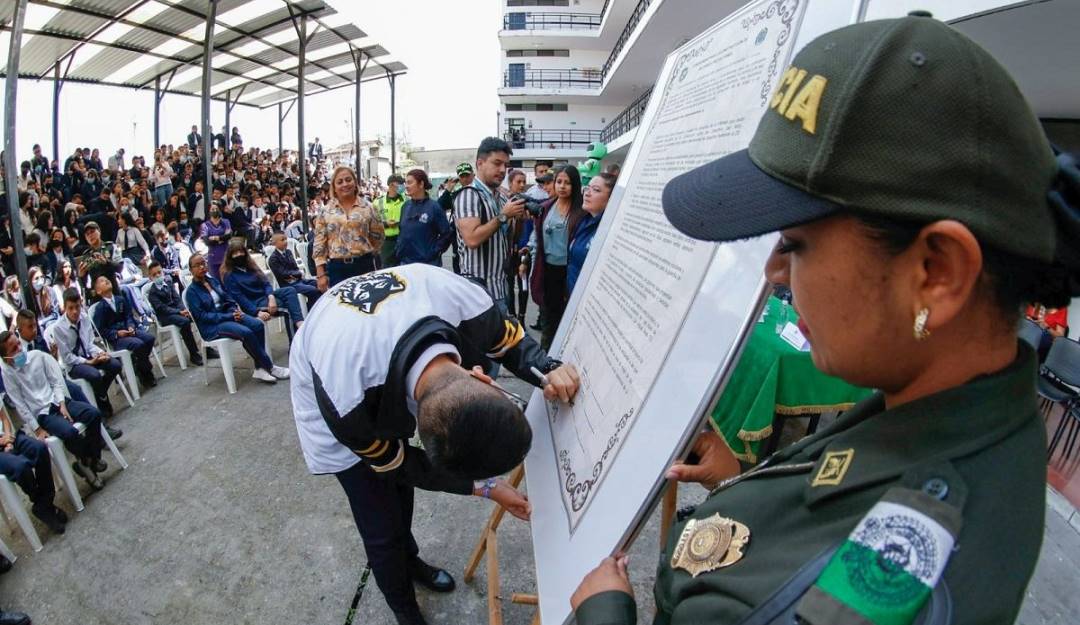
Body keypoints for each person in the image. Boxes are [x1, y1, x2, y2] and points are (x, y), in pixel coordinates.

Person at [570, 14, 1073, 625]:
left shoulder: (870, 578)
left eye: (796, 244)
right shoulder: (952, 409)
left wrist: (604, 611)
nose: (774, 271)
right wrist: (751, 481)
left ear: (936, 272)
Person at [290, 263, 581, 625]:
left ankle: (410, 560)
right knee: (380, 525)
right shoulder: (347, 405)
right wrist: (486, 488)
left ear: (482, 377)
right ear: (482, 376)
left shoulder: (462, 300)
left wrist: (548, 369)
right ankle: (404, 608)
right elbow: (398, 464)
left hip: (367, 351)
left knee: (401, 500)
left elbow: (511, 343)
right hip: (330, 384)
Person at [0, 330, 107, 491]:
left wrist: (62, 403)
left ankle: (88, 460)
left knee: (93, 414)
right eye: (13, 349)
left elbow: (55, 381)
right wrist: (37, 429)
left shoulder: (37, 356)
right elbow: (20, 404)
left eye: (18, 344)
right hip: (43, 414)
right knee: (70, 433)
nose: (19, 349)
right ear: (6, 358)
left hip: (59, 401)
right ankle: (88, 461)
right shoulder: (8, 374)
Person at [184, 253, 288, 384]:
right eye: (197, 265)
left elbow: (228, 298)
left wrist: (234, 310)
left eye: (203, 263)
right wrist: (229, 315)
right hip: (212, 326)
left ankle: (260, 368)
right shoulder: (192, 292)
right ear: (191, 270)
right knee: (246, 333)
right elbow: (202, 316)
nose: (201, 267)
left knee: (257, 325)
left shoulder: (213, 281)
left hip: (229, 315)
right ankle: (270, 367)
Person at [453, 138, 526, 309]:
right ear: (480, 163)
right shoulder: (468, 195)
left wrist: (518, 219)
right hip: (477, 295)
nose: (502, 170)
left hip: (500, 288)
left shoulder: (501, 199)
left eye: (506, 165)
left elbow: (507, 240)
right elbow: (472, 239)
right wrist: (504, 216)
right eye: (497, 163)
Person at [529, 166, 584, 350]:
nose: (562, 186)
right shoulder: (546, 208)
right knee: (548, 319)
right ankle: (546, 357)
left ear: (575, 185)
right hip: (547, 271)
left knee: (567, 318)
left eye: (567, 183)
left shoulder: (582, 211)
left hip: (569, 272)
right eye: (559, 182)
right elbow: (537, 239)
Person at [49, 289, 123, 419]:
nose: (75, 311)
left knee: (115, 364)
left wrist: (100, 353)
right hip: (75, 364)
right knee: (94, 375)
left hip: (88, 356)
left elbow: (89, 344)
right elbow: (67, 357)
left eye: (77, 307)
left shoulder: (84, 318)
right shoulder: (58, 328)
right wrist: (87, 362)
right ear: (64, 307)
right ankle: (102, 401)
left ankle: (99, 394)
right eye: (70, 308)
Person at [0, 386, 65, 535]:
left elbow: (3, 418)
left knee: (39, 448)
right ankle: (42, 503)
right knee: (21, 466)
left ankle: (44, 504)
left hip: (8, 439)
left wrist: (8, 438)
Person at [312, 166, 384, 288]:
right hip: (337, 269)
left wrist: (364, 250)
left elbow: (378, 236)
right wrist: (321, 274)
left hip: (364, 265)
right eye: (340, 182)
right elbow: (319, 243)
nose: (345, 184)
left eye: (348, 180)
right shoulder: (325, 211)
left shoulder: (369, 208)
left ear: (355, 183)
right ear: (334, 187)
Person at [220, 238, 304, 340]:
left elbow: (266, 283)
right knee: (288, 307)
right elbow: (239, 298)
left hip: (266, 297)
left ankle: (299, 323)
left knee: (290, 290)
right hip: (254, 303)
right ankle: (295, 340)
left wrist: (271, 297)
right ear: (230, 256)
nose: (239, 255)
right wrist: (257, 312)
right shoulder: (229, 275)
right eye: (235, 253)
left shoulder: (251, 266)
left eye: (241, 251)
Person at [91, 275, 158, 390]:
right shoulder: (100, 308)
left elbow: (128, 316)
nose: (106, 280)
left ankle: (139, 365)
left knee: (149, 338)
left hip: (129, 331)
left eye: (106, 279)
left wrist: (131, 326)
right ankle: (146, 373)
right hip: (117, 339)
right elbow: (101, 330)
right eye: (102, 281)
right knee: (138, 344)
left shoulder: (120, 299)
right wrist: (117, 333)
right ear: (98, 291)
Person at [146, 262, 204, 366]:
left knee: (196, 314)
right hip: (166, 316)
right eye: (154, 275)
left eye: (159, 272)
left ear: (163, 272)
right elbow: (163, 309)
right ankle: (194, 354)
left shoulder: (168, 282)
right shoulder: (152, 294)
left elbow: (177, 298)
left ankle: (207, 347)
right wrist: (179, 312)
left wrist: (183, 310)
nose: (158, 276)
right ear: (150, 277)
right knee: (184, 322)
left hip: (177, 310)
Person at [566, 172, 615, 295]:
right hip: (573, 293)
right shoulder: (583, 220)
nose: (587, 193)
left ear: (611, 198)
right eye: (587, 188)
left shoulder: (610, 230)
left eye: (596, 190)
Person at [395, 169, 453, 266]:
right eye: (406, 183)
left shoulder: (434, 207)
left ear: (421, 184)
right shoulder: (405, 206)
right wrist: (398, 249)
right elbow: (402, 231)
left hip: (427, 264)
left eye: (410, 182)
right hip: (405, 262)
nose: (406, 186)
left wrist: (433, 252)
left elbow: (447, 233)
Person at [267, 232, 320, 307]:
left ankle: (312, 306)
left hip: (298, 280)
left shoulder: (288, 252)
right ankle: (310, 309)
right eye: (282, 240)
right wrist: (296, 274)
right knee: (313, 290)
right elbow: (284, 274)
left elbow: (295, 268)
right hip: (288, 285)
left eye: (286, 239)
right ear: (275, 243)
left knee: (318, 284)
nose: (286, 241)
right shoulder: (273, 259)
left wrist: (295, 274)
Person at [375, 174, 407, 267]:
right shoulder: (378, 202)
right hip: (386, 243)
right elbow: (372, 223)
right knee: (387, 269)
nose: (403, 186)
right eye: (400, 183)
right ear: (391, 185)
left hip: (403, 240)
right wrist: (385, 224)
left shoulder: (407, 200)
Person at [200, 208, 232, 281]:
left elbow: (228, 236)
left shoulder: (225, 222)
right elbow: (207, 242)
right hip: (213, 258)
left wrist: (215, 238)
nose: (214, 210)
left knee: (228, 280)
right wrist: (221, 239)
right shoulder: (205, 225)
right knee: (216, 281)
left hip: (226, 257)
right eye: (212, 209)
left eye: (216, 208)